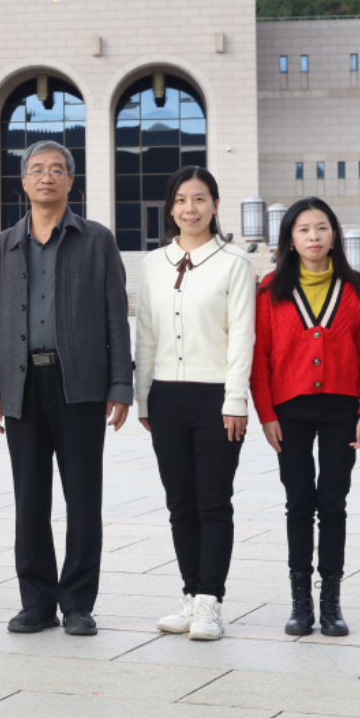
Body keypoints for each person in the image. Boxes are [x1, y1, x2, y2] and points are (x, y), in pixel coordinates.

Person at [0, 141, 132, 636]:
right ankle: (37, 602)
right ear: (24, 181)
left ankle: (79, 603)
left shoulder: (96, 240)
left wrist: (120, 384)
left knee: (83, 498)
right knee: (30, 500)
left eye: (57, 170)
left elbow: (116, 315)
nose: (47, 177)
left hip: (80, 384)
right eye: (37, 169)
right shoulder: (0, 248)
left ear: (70, 181)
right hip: (21, 384)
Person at [251, 197, 360, 638]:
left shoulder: (356, 290)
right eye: (304, 229)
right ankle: (300, 602)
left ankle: (331, 602)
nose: (313, 236)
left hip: (342, 408)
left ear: (334, 235)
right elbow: (260, 357)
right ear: (290, 238)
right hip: (289, 410)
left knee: (333, 502)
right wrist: (266, 414)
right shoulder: (270, 290)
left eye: (322, 227)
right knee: (298, 502)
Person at [136, 165, 255, 642]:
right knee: (180, 502)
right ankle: (189, 595)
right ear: (171, 208)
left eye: (200, 199)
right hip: (166, 396)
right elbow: (145, 333)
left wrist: (235, 400)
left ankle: (210, 601)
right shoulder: (153, 263)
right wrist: (143, 397)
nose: (191, 208)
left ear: (215, 205)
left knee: (213, 501)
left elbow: (242, 336)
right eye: (182, 200)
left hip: (215, 398)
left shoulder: (235, 262)